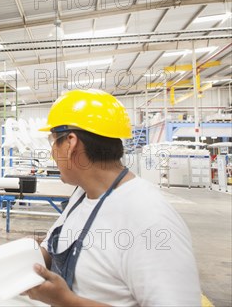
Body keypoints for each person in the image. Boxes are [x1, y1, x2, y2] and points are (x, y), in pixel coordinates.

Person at [24, 89, 201, 306]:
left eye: (53, 141)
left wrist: (69, 302)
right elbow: (52, 247)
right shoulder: (82, 195)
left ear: (70, 144)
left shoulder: (151, 219)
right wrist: (21, 256)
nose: (51, 152)